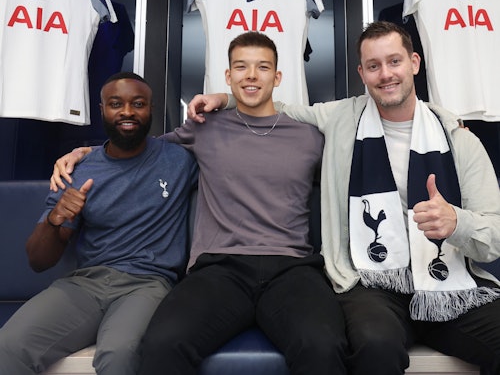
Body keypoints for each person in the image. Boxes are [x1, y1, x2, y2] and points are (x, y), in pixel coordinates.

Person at [188, 21, 500, 374]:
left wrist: (457, 223)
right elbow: (273, 107)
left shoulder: (458, 138)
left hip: (451, 286)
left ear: (414, 63)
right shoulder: (338, 118)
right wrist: (224, 98)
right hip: (369, 283)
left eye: (394, 61)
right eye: (373, 66)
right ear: (362, 73)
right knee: (374, 346)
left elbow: (494, 237)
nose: (385, 74)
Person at [50, 32, 348, 375]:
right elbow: (135, 151)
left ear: (277, 77)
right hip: (221, 267)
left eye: (262, 67)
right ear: (228, 76)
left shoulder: (309, 136)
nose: (251, 75)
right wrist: (85, 153)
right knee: (163, 344)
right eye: (241, 66)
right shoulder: (204, 128)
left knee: (323, 346)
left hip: (292, 267)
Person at [0, 72, 198, 375]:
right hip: (85, 285)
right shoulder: (78, 171)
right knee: (8, 347)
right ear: (102, 109)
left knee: (119, 353)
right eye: (116, 104)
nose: (128, 112)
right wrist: (55, 220)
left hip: (147, 284)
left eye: (138, 103)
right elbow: (39, 261)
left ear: (151, 110)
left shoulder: (179, 160)